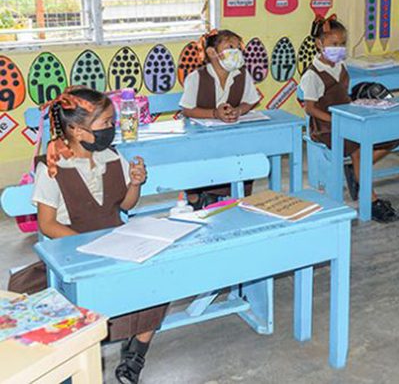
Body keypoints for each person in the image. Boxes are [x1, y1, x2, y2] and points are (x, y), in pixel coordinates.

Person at [7, 87, 164, 384]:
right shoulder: (52, 167)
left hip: (115, 245)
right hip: (72, 252)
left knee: (157, 279)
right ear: (78, 131)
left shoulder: (111, 157)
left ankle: (136, 352)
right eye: (105, 123)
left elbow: (124, 207)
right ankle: (78, 353)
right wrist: (88, 244)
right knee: (55, 302)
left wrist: (134, 183)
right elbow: (48, 224)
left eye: (111, 122)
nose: (112, 129)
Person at [299, 15, 399, 223]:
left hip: (347, 119)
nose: (339, 48)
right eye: (333, 44)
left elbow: (343, 96)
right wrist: (335, 120)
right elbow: (310, 109)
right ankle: (371, 201)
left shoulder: (340, 66)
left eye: (342, 44)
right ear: (319, 44)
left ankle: (357, 173)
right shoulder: (313, 74)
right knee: (358, 148)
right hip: (325, 126)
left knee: (391, 137)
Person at [180, 29, 260, 208]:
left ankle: (238, 197)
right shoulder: (196, 78)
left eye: (238, 47)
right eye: (230, 47)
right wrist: (215, 114)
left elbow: (250, 101)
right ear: (211, 53)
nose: (237, 51)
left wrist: (238, 111)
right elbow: (187, 109)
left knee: (246, 153)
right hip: (202, 137)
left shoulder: (242, 75)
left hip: (231, 134)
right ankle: (198, 197)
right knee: (200, 159)